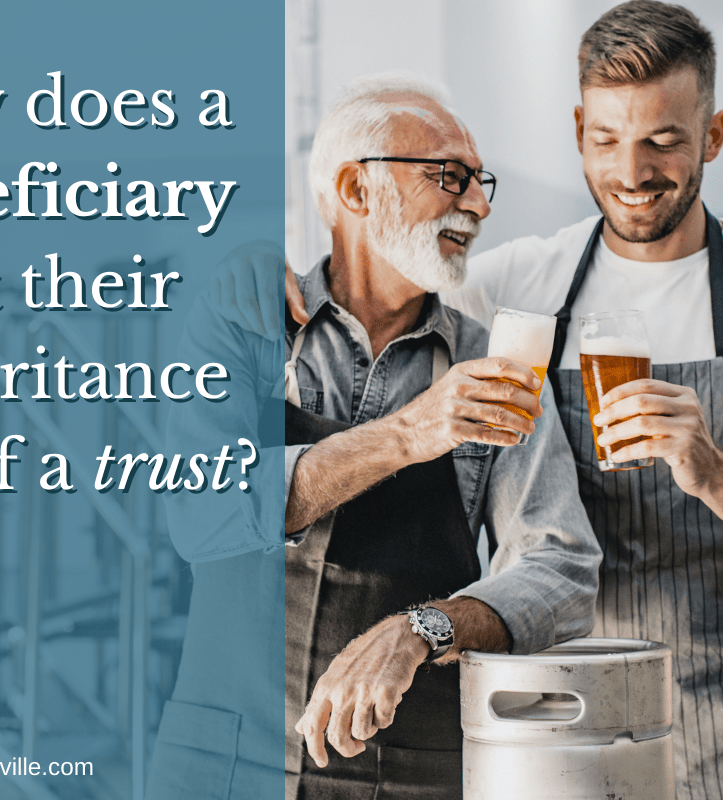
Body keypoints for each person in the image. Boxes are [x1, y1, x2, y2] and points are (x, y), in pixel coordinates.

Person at [271, 3, 723, 798]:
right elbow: (379, 280)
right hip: (557, 739)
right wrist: (262, 275)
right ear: (577, 133)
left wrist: (715, 472)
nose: (632, 172)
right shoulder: (513, 291)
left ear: (713, 136)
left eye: (664, 142)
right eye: (606, 141)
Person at [161, 73, 601, 800]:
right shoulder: (241, 325)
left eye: (481, 181)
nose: (481, 205)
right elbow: (197, 515)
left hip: (411, 775)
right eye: (450, 176)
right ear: (357, 190)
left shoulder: (493, 366)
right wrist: (409, 433)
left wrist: (422, 628)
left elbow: (561, 569)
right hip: (222, 762)